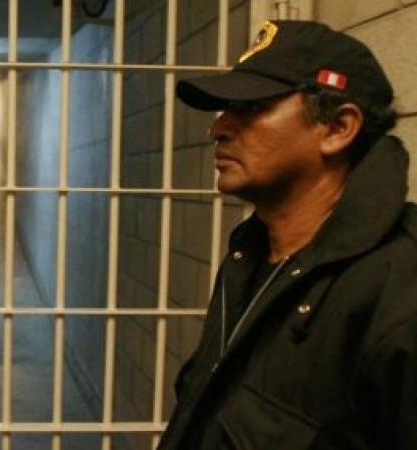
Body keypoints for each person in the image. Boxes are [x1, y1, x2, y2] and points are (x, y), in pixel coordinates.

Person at [159, 20, 416, 449]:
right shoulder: (250, 256)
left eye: (252, 108)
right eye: (226, 109)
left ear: (338, 128)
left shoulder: (400, 291)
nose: (217, 129)